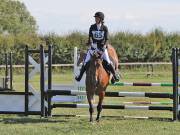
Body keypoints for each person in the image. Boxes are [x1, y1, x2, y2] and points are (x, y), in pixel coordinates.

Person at [75, 11, 119, 82]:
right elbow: (89, 37)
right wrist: (89, 44)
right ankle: (80, 76)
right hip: (93, 48)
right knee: (86, 62)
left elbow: (107, 39)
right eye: (95, 18)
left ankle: (115, 75)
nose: (95, 19)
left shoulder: (104, 28)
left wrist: (104, 47)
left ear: (101, 19)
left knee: (108, 61)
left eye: (97, 18)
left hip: (102, 48)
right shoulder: (92, 27)